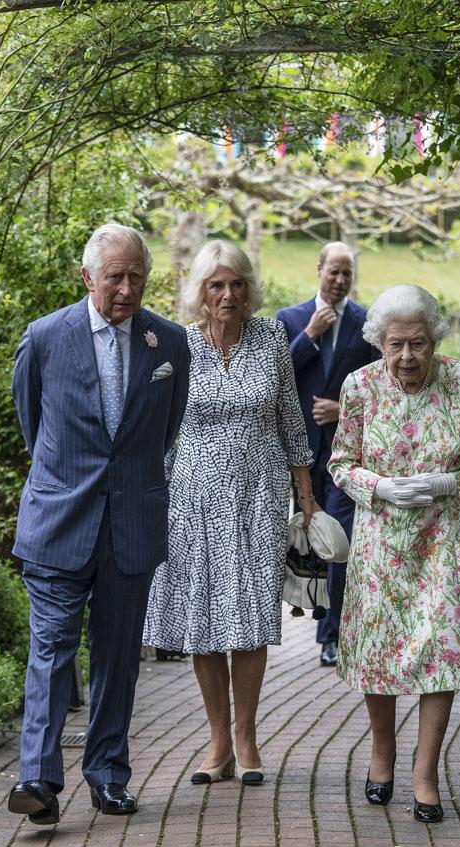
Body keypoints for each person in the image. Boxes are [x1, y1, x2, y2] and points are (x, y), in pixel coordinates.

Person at [8, 224, 190, 824]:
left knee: (118, 657)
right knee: (52, 649)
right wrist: (69, 481)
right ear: (88, 277)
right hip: (61, 521)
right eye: (115, 276)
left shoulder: (169, 344)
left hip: (131, 523)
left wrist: (128, 483)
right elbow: (32, 426)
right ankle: (37, 777)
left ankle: (108, 775)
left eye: (137, 276)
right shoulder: (44, 338)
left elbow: (166, 432)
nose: (127, 287)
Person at [328, 284, 460, 823]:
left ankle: (425, 774)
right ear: (379, 341)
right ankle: (382, 755)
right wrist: (379, 487)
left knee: (442, 653)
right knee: (379, 652)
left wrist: (445, 484)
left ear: (435, 340)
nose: (407, 357)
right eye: (395, 344)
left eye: (418, 344)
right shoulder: (359, 388)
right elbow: (340, 463)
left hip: (444, 544)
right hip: (381, 543)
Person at [143, 240, 320, 787]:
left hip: (258, 497)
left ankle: (246, 736)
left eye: (237, 284)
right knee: (202, 618)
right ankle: (218, 738)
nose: (228, 294)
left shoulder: (270, 337)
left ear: (249, 290)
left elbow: (291, 416)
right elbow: (156, 421)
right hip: (192, 498)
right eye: (217, 285)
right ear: (201, 291)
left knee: (247, 618)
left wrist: (306, 492)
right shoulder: (176, 344)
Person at [275, 242, 381, 668]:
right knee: (306, 541)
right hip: (298, 454)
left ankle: (331, 635)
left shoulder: (367, 321)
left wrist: (343, 409)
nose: (339, 281)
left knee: (338, 543)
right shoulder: (291, 319)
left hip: (344, 454)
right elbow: (277, 375)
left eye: (346, 274)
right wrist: (311, 335)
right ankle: (304, 617)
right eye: (333, 272)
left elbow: (379, 385)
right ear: (318, 269)